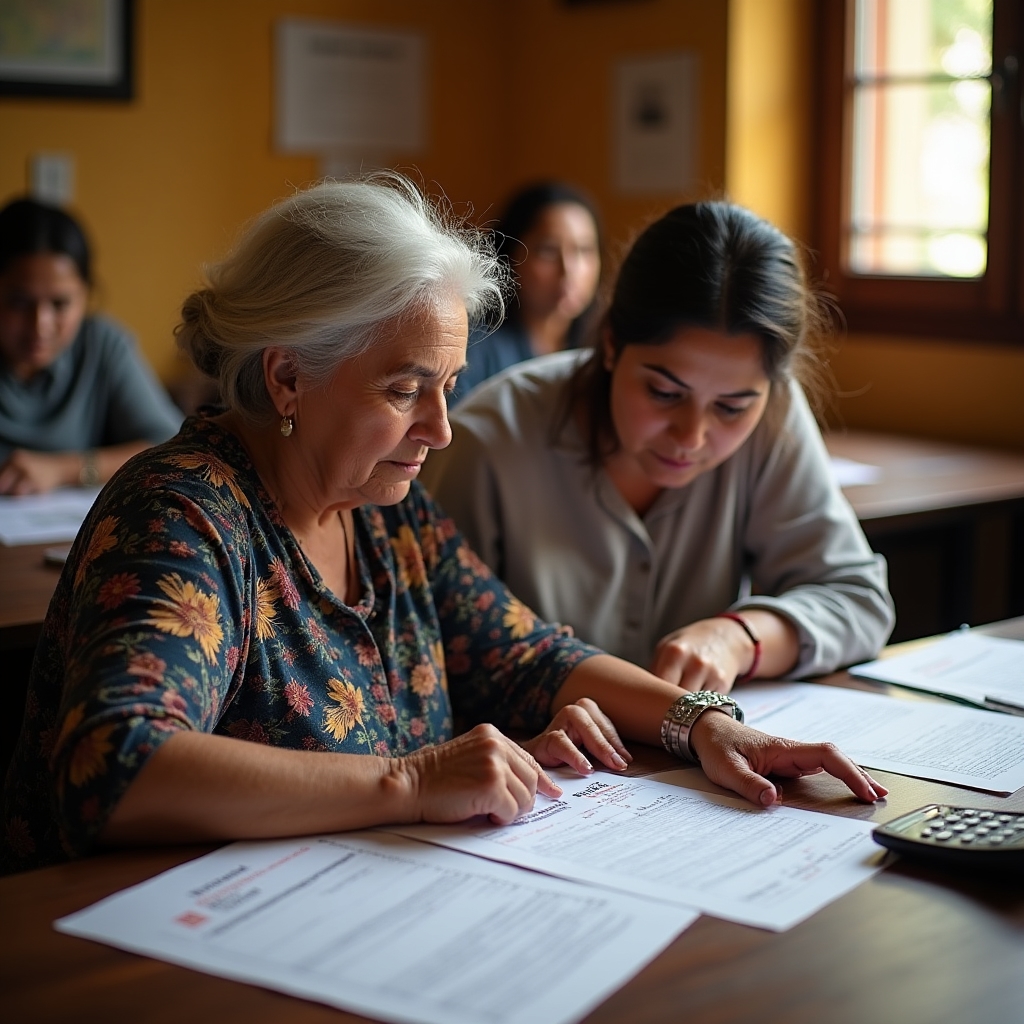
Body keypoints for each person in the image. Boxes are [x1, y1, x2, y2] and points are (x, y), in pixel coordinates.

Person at [2, 178, 886, 875]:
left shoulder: (383, 510)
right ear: (286, 380)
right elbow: (115, 767)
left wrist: (705, 724)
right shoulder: (185, 511)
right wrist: (413, 780)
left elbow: (523, 653)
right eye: (402, 389)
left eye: (449, 385)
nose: (440, 428)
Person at [424, 201, 895, 691]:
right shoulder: (489, 441)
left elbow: (858, 600)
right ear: (610, 344)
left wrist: (738, 637)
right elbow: (431, 654)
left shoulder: (773, 414)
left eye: (731, 408)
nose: (691, 437)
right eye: (664, 393)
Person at [0, 198, 182, 494]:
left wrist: (63, 470)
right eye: (19, 302)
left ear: (86, 296)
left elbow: (171, 446)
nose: (40, 325)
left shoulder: (102, 345)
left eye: (59, 304)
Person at [451, 181, 601, 402]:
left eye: (583, 250)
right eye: (548, 250)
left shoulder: (603, 344)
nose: (569, 271)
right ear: (510, 257)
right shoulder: (474, 348)